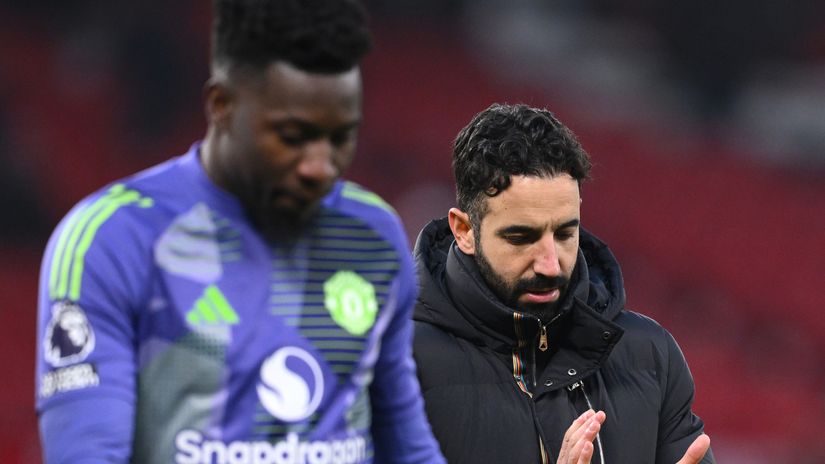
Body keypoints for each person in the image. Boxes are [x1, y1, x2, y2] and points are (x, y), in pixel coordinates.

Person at [35, 1, 445, 463]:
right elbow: (87, 453)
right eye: (292, 136)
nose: (320, 166)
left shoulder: (371, 233)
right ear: (222, 106)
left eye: (340, 137)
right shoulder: (111, 239)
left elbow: (405, 440)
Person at [412, 103, 715, 463]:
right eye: (521, 237)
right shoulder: (394, 362)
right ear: (464, 231)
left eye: (565, 233)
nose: (550, 265)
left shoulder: (649, 353)